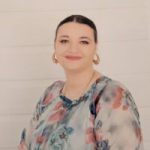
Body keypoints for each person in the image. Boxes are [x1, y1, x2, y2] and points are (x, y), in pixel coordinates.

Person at [19, 14, 144, 150]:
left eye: (84, 42)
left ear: (95, 48)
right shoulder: (51, 93)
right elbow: (26, 144)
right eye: (64, 41)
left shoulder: (111, 95)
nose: (73, 49)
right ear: (55, 46)